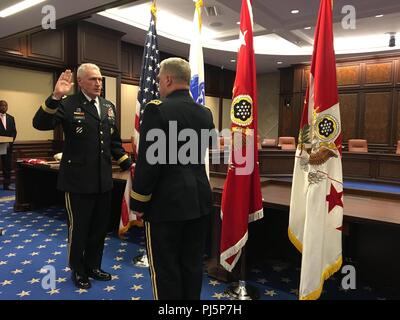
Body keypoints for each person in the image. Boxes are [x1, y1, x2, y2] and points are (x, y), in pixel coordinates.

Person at [33, 63, 132, 289]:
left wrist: (128, 163)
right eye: (93, 79)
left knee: (99, 228)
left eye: (100, 79)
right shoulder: (68, 105)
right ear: (80, 82)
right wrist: (55, 96)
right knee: (79, 229)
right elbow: (39, 124)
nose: (98, 83)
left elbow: (113, 142)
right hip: (77, 181)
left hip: (103, 180)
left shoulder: (108, 106)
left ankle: (93, 266)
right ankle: (78, 270)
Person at [130, 57, 215, 300]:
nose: (158, 84)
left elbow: (150, 162)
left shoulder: (157, 109)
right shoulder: (205, 113)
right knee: (191, 265)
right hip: (198, 200)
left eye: (159, 80)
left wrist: (139, 202)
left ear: (168, 79)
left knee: (166, 269)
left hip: (166, 203)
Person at [0, 100, 17, 191]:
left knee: (7, 166)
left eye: (5, 105)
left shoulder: (11, 118)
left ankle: (7, 185)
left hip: (7, 146)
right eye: (2, 105)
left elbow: (14, 131)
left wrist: (10, 142)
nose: (4, 107)